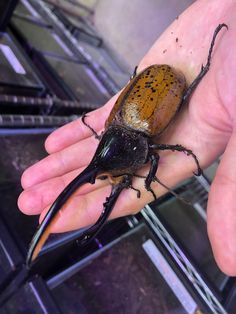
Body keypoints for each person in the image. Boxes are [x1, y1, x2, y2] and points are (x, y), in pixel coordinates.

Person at [18, 0, 236, 275]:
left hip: (166, 82)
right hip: (151, 85)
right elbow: (147, 157)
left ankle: (205, 66)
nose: (118, 181)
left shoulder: (132, 130)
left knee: (184, 101)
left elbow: (151, 157)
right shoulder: (114, 123)